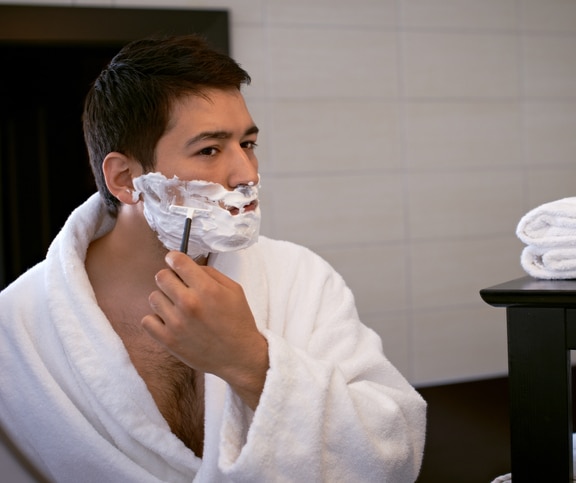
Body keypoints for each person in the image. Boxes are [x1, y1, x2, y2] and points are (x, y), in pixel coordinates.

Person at [0, 34, 426, 482]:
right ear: (125, 179)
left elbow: (393, 452)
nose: (247, 174)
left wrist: (251, 361)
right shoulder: (18, 329)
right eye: (209, 149)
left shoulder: (300, 279)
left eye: (248, 144)